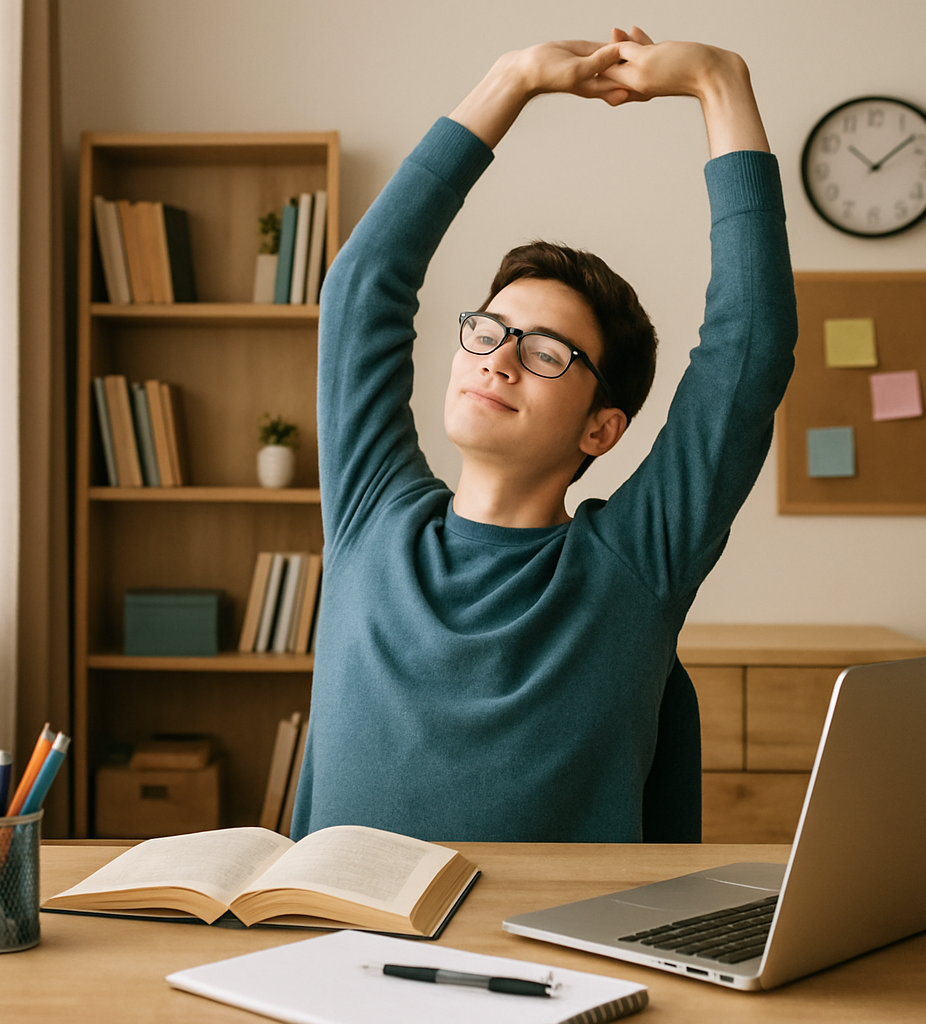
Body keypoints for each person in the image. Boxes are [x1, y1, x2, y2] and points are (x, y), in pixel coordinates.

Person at [290, 28, 797, 843]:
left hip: (552, 932)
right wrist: (513, 79)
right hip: (335, 924)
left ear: (602, 428)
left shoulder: (633, 565)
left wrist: (719, 81)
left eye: (546, 352)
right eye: (489, 331)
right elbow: (362, 285)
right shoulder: (370, 513)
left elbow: (751, 346)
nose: (498, 360)